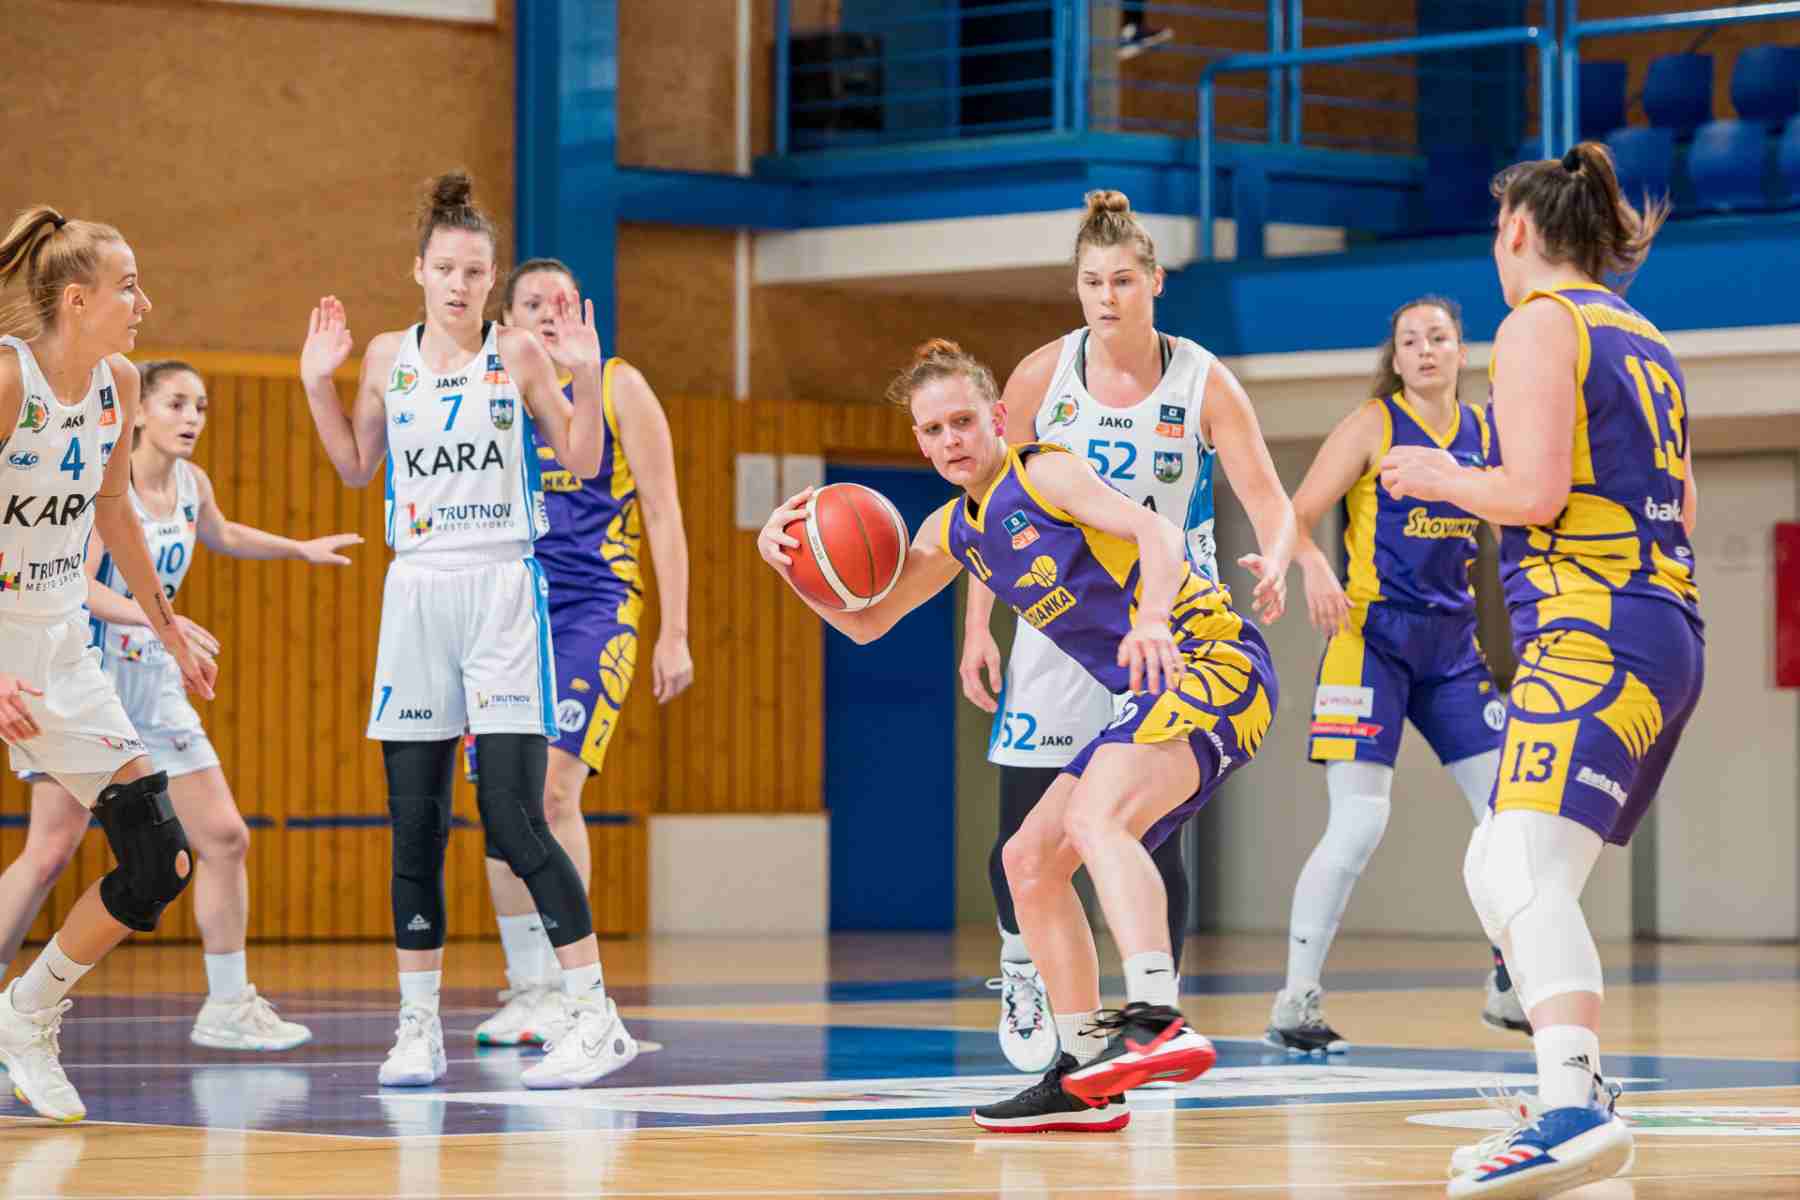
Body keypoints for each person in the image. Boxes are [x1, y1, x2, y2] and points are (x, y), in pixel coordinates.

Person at [759, 338, 1292, 1134]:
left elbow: (1158, 534)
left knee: (1095, 819)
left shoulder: (1044, 472)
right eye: (933, 430)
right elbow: (867, 622)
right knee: (1027, 862)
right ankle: (1080, 1076)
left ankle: (1157, 1019)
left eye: (963, 421)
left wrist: (1152, 620)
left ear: (999, 418)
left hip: (1212, 660)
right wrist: (787, 565)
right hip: (1154, 689)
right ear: (920, 444)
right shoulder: (952, 529)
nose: (951, 440)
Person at [1380, 142, 1701, 1197]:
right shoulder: (1644, 336)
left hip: (1593, 630)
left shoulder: (1537, 322)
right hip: (1658, 627)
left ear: (1518, 229)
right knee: (1508, 867)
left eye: (1495, 229)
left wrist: (1441, 474)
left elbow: (1532, 493)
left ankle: (1571, 1108)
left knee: (1517, 867)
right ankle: (1580, 1096)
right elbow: (1683, 505)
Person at [298, 171, 635, 1090]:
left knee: (517, 818)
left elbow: (583, 460)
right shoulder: (385, 357)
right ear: (418, 270)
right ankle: (418, 1029)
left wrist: (586, 372)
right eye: (445, 268)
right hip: (416, 589)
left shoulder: (518, 352)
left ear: (492, 280)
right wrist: (315, 383)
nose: (458, 283)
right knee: (414, 827)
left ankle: (593, 1014)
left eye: (475, 271)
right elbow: (355, 466)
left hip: (501, 589)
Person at [0, 359, 360, 1051]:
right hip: (91, 678)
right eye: (175, 403)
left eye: (201, 406)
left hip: (155, 687)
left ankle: (227, 1005)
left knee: (224, 837)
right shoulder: (108, 487)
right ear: (139, 413)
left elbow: (222, 533)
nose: (191, 417)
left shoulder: (192, 484)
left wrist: (299, 547)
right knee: (48, 852)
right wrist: (155, 618)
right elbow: (77, 585)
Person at [959, 190, 1218, 1073]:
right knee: (1024, 829)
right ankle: (1021, 971)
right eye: (1091, 282)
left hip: (1155, 626)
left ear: (1153, 281)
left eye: (1121, 280)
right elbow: (991, 506)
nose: (1107, 296)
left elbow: (1240, 495)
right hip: (1056, 621)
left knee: (1150, 828)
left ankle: (1154, 1018)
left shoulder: (1196, 377)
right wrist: (978, 628)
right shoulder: (1041, 375)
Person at [0, 205, 218, 1121]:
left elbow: (113, 509)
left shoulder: (118, 384)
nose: (145, 303)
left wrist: (165, 627)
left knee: (161, 858)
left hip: (60, 644)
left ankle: (26, 1012)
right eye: (129, 287)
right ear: (78, 300)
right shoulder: (9, 381)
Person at [1265, 296, 1527, 1055]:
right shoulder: (1373, 425)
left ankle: (1510, 981)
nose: (1424, 350)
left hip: (1453, 649)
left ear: (1460, 350)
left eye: (1437, 337)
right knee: (1359, 821)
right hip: (1369, 639)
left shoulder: (1486, 434)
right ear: (1396, 355)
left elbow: (1518, 519)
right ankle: (1295, 1000)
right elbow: (1293, 515)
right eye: (1410, 341)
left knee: (1511, 813)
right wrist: (1314, 569)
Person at [467, 259, 692, 1047]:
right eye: (534, 302)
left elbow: (663, 512)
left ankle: (574, 988)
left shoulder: (621, 385)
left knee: (554, 789)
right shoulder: (488, 388)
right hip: (505, 607)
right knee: (500, 800)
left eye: (564, 300)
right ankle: (528, 989)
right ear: (506, 320)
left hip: (595, 603)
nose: (551, 312)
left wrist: (675, 631)